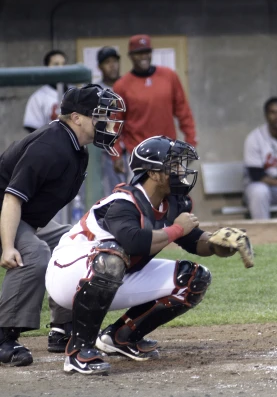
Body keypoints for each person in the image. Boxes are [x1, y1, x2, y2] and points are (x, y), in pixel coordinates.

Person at [45, 136, 234, 375]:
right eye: (173, 165)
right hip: (67, 273)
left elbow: (194, 240)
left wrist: (218, 243)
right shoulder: (123, 202)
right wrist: (176, 229)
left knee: (194, 278)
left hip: (113, 271)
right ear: (154, 173)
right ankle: (78, 351)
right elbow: (133, 241)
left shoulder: (173, 202)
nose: (180, 170)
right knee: (111, 259)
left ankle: (121, 337)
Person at [0, 84, 125, 367]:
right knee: (35, 255)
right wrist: (8, 246)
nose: (107, 122)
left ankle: (63, 327)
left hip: (23, 217)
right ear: (77, 118)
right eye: (100, 115)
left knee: (76, 243)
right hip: (5, 213)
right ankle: (3, 336)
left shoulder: (72, 144)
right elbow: (11, 197)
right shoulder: (50, 146)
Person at [111, 34, 197, 176]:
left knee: (175, 196)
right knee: (140, 197)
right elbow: (115, 123)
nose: (143, 56)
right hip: (139, 155)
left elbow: (183, 111)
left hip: (169, 154)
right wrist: (116, 155)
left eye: (147, 52)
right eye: (138, 53)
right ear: (131, 56)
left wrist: (191, 140)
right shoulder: (122, 86)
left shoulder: (169, 76)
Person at [95, 46, 127, 197]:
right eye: (107, 62)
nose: (112, 65)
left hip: (131, 147)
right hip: (107, 152)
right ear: (100, 66)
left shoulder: (129, 85)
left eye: (115, 61)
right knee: (115, 194)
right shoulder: (96, 90)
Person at [23, 49, 67, 133]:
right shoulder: (38, 97)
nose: (61, 67)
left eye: (63, 64)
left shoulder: (75, 93)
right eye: (56, 64)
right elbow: (33, 130)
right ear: (47, 68)